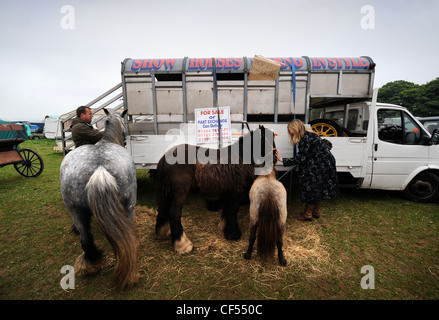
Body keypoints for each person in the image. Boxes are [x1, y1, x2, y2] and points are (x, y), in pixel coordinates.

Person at [276, 119, 339, 221]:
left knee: (311, 187)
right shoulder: (311, 134)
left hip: (318, 165)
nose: (290, 133)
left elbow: (301, 158)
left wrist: (282, 160)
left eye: (291, 130)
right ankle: (316, 211)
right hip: (326, 164)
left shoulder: (305, 138)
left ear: (295, 128)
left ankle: (307, 214)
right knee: (320, 187)